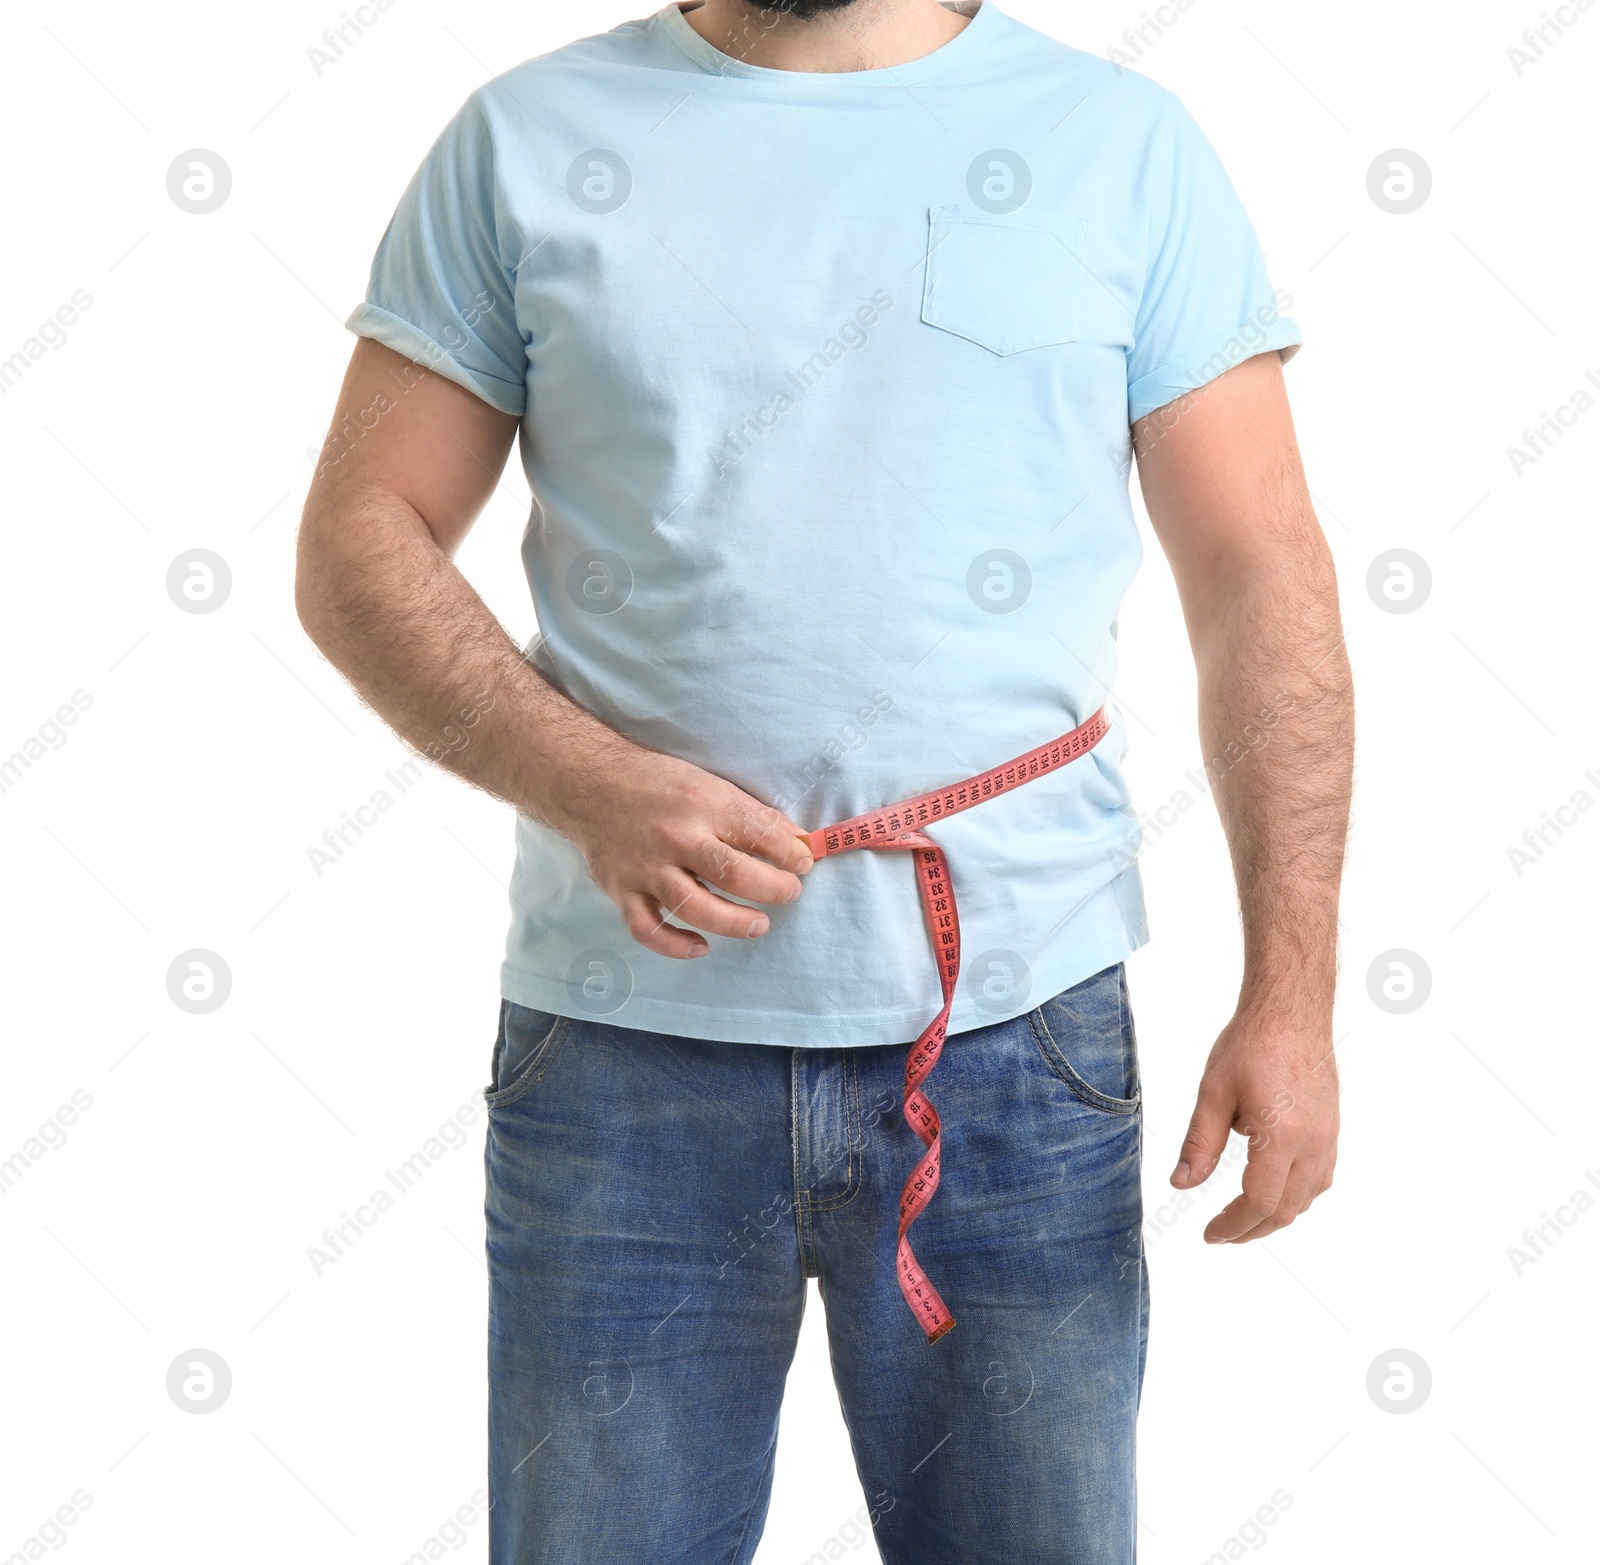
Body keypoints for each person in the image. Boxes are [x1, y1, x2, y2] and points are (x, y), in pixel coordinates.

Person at [295, 0, 1352, 1558]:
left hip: (1016, 1043)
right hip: (620, 1056)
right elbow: (356, 540)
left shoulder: (1124, 150)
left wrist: (1295, 994)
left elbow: (1264, 581)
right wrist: (587, 783)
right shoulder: (522, 145)